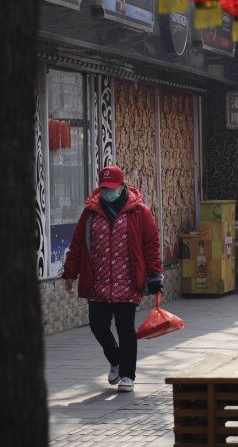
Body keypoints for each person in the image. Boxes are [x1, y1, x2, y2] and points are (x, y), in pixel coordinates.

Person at [63, 165, 163, 392]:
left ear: (122, 185)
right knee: (98, 325)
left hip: (127, 283)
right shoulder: (90, 212)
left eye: (111, 187)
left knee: (125, 328)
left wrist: (155, 275)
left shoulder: (139, 212)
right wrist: (70, 273)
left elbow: (151, 245)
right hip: (98, 282)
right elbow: (78, 244)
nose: (107, 191)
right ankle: (117, 360)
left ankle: (128, 375)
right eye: (103, 188)